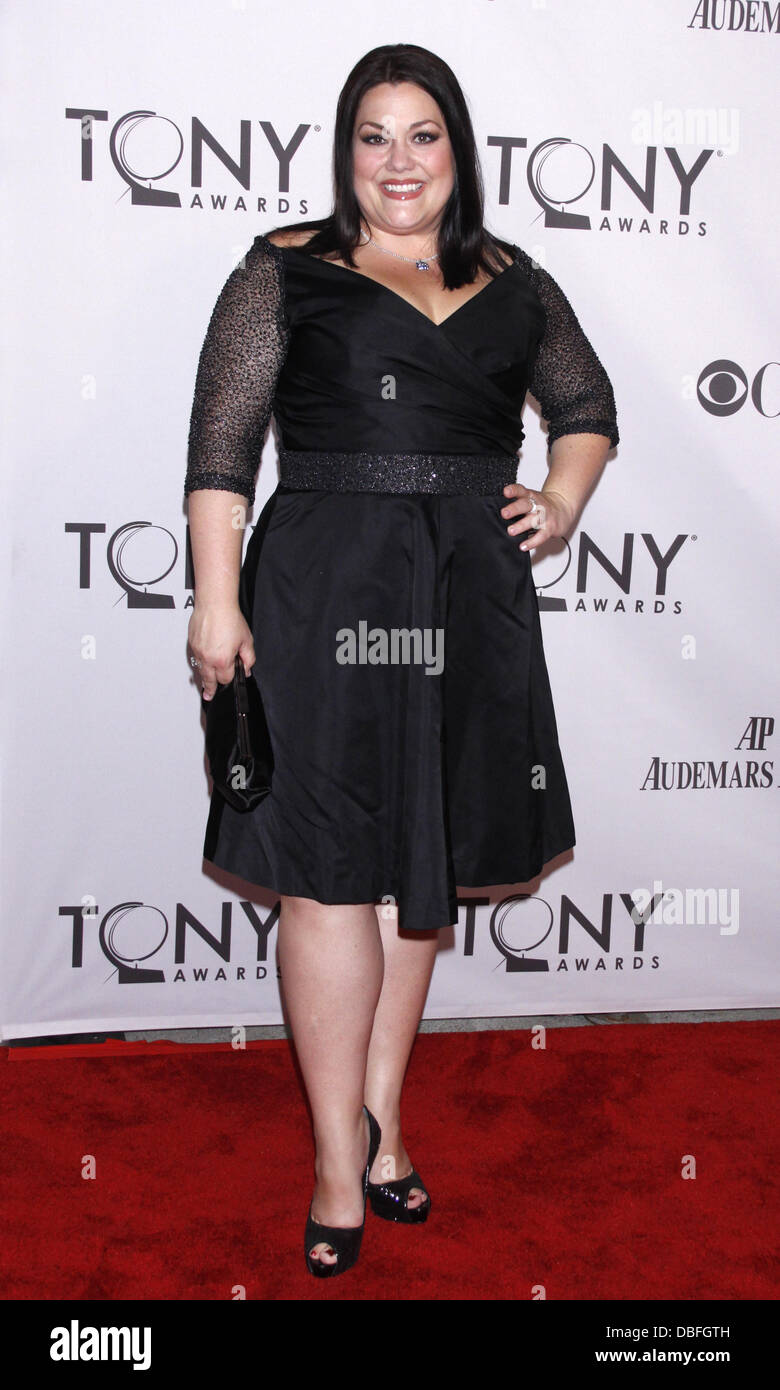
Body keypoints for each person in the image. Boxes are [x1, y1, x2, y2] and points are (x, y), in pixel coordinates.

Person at [183, 42, 619, 1278]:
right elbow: (222, 451)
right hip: (321, 585)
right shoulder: (285, 270)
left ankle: (382, 1127)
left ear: (457, 149)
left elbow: (587, 407)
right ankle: (332, 1157)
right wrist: (218, 604)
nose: (398, 160)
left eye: (421, 134)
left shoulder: (512, 278)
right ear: (345, 152)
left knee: (416, 861)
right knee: (327, 876)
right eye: (373, 136)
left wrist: (563, 498)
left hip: (464, 596)